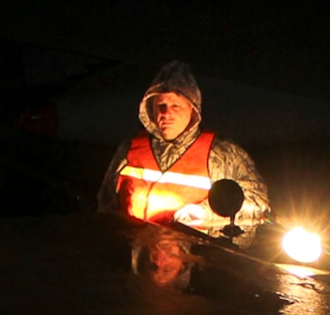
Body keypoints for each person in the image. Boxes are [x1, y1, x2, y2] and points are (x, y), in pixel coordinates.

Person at [98, 61, 268, 235]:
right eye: (160, 106)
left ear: (192, 109)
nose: (166, 113)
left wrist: (205, 213)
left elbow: (259, 204)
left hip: (193, 258)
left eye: (175, 106)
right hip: (133, 255)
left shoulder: (221, 153)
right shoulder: (130, 148)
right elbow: (105, 206)